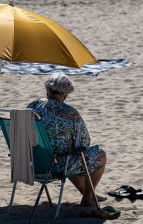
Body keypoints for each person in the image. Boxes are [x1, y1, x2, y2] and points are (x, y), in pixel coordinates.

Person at [27, 73, 107, 207]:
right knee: (99, 155)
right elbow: (84, 143)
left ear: (47, 91)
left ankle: (91, 194)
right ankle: (87, 200)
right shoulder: (70, 112)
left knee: (67, 155)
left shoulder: (33, 106)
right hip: (56, 166)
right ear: (66, 95)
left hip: (29, 164)